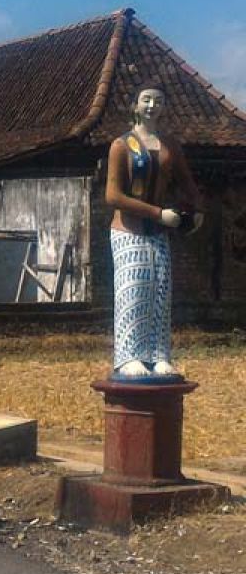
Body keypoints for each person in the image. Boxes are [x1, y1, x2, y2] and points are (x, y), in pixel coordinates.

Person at [104, 83, 204, 378]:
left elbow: (189, 185)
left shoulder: (170, 145)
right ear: (134, 105)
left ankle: (158, 355)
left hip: (159, 234)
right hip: (129, 231)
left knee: (160, 290)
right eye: (146, 100)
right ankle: (128, 356)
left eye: (158, 101)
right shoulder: (122, 145)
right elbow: (113, 196)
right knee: (133, 290)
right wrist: (159, 214)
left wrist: (197, 210)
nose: (152, 106)